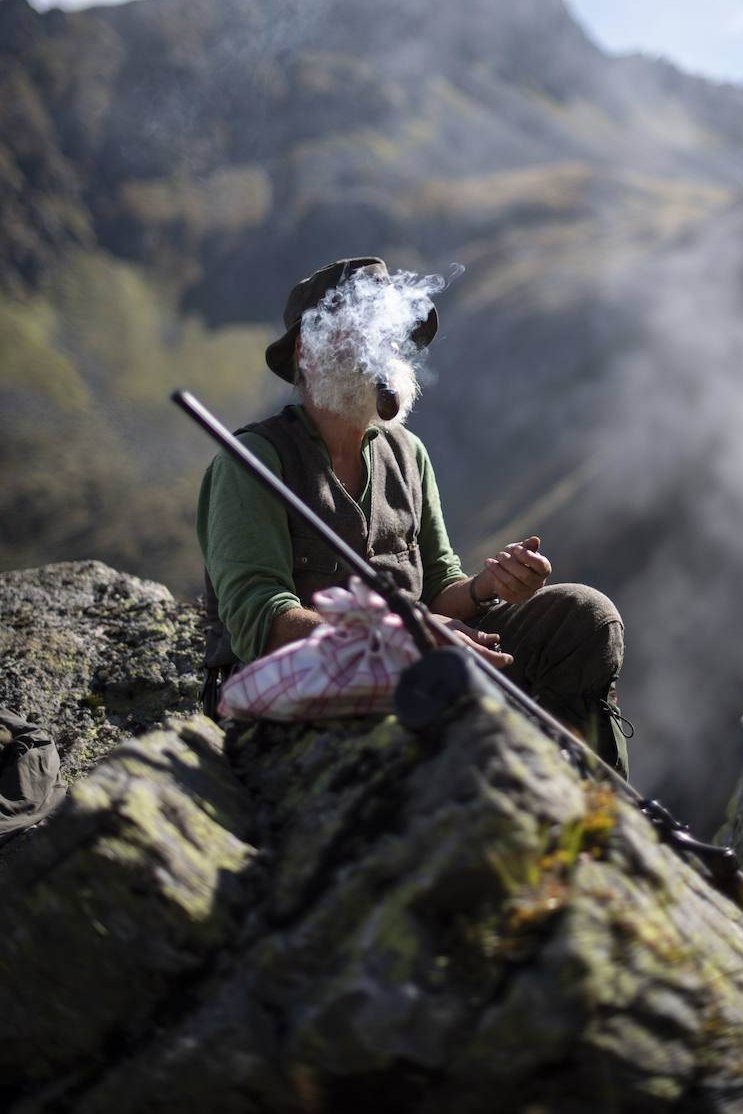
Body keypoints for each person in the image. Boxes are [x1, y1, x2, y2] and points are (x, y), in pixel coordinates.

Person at [197, 256, 631, 774]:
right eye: (357, 330)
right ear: (304, 349)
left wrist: (487, 587)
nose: (380, 348)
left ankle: (582, 796)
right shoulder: (255, 462)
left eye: (388, 332)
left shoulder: (407, 453)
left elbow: (439, 583)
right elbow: (259, 621)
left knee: (585, 618)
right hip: (312, 681)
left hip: (417, 656)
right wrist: (402, 635)